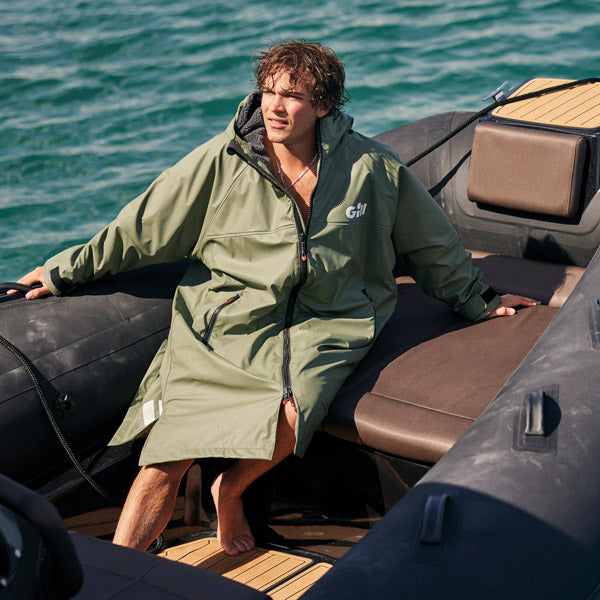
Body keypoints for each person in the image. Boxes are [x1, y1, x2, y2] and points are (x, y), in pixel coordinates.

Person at [14, 41, 538, 556]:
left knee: (294, 410)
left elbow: (431, 243)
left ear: (323, 106)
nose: (274, 106)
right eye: (268, 91)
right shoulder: (222, 161)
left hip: (330, 318)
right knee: (163, 461)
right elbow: (142, 226)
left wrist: (479, 299)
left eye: (291, 95)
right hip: (228, 318)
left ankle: (230, 489)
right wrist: (63, 271)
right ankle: (116, 577)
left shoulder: (371, 168)